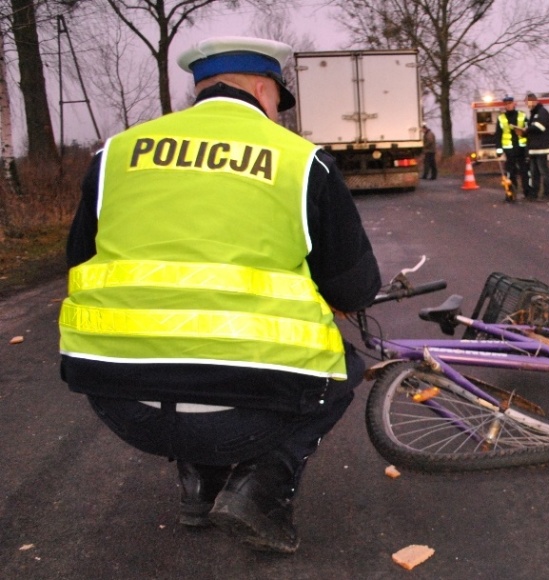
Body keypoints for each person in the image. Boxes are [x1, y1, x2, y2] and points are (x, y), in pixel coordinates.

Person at [58, 36, 382, 554]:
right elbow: (354, 287)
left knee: (188, 359)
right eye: (279, 101)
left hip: (119, 402)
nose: (277, 114)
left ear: (202, 88)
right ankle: (261, 491)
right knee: (341, 369)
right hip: (242, 418)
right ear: (261, 88)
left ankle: (199, 486)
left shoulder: (115, 153)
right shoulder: (301, 161)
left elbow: (78, 262)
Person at [492, 95, 531, 201]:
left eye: (510, 103)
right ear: (504, 106)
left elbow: (528, 131)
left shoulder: (522, 115)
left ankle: (528, 193)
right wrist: (499, 149)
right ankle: (510, 194)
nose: (508, 106)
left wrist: (528, 146)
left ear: (514, 104)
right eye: (506, 104)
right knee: (510, 173)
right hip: (509, 150)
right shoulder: (501, 118)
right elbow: (498, 135)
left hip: (522, 149)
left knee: (525, 172)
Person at [524, 93, 549, 200]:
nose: (527, 105)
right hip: (534, 148)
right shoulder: (534, 113)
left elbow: (540, 127)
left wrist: (527, 129)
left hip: (541, 147)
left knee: (544, 172)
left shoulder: (542, 112)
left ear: (534, 101)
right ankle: (534, 194)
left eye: (528, 102)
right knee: (534, 173)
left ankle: (547, 194)